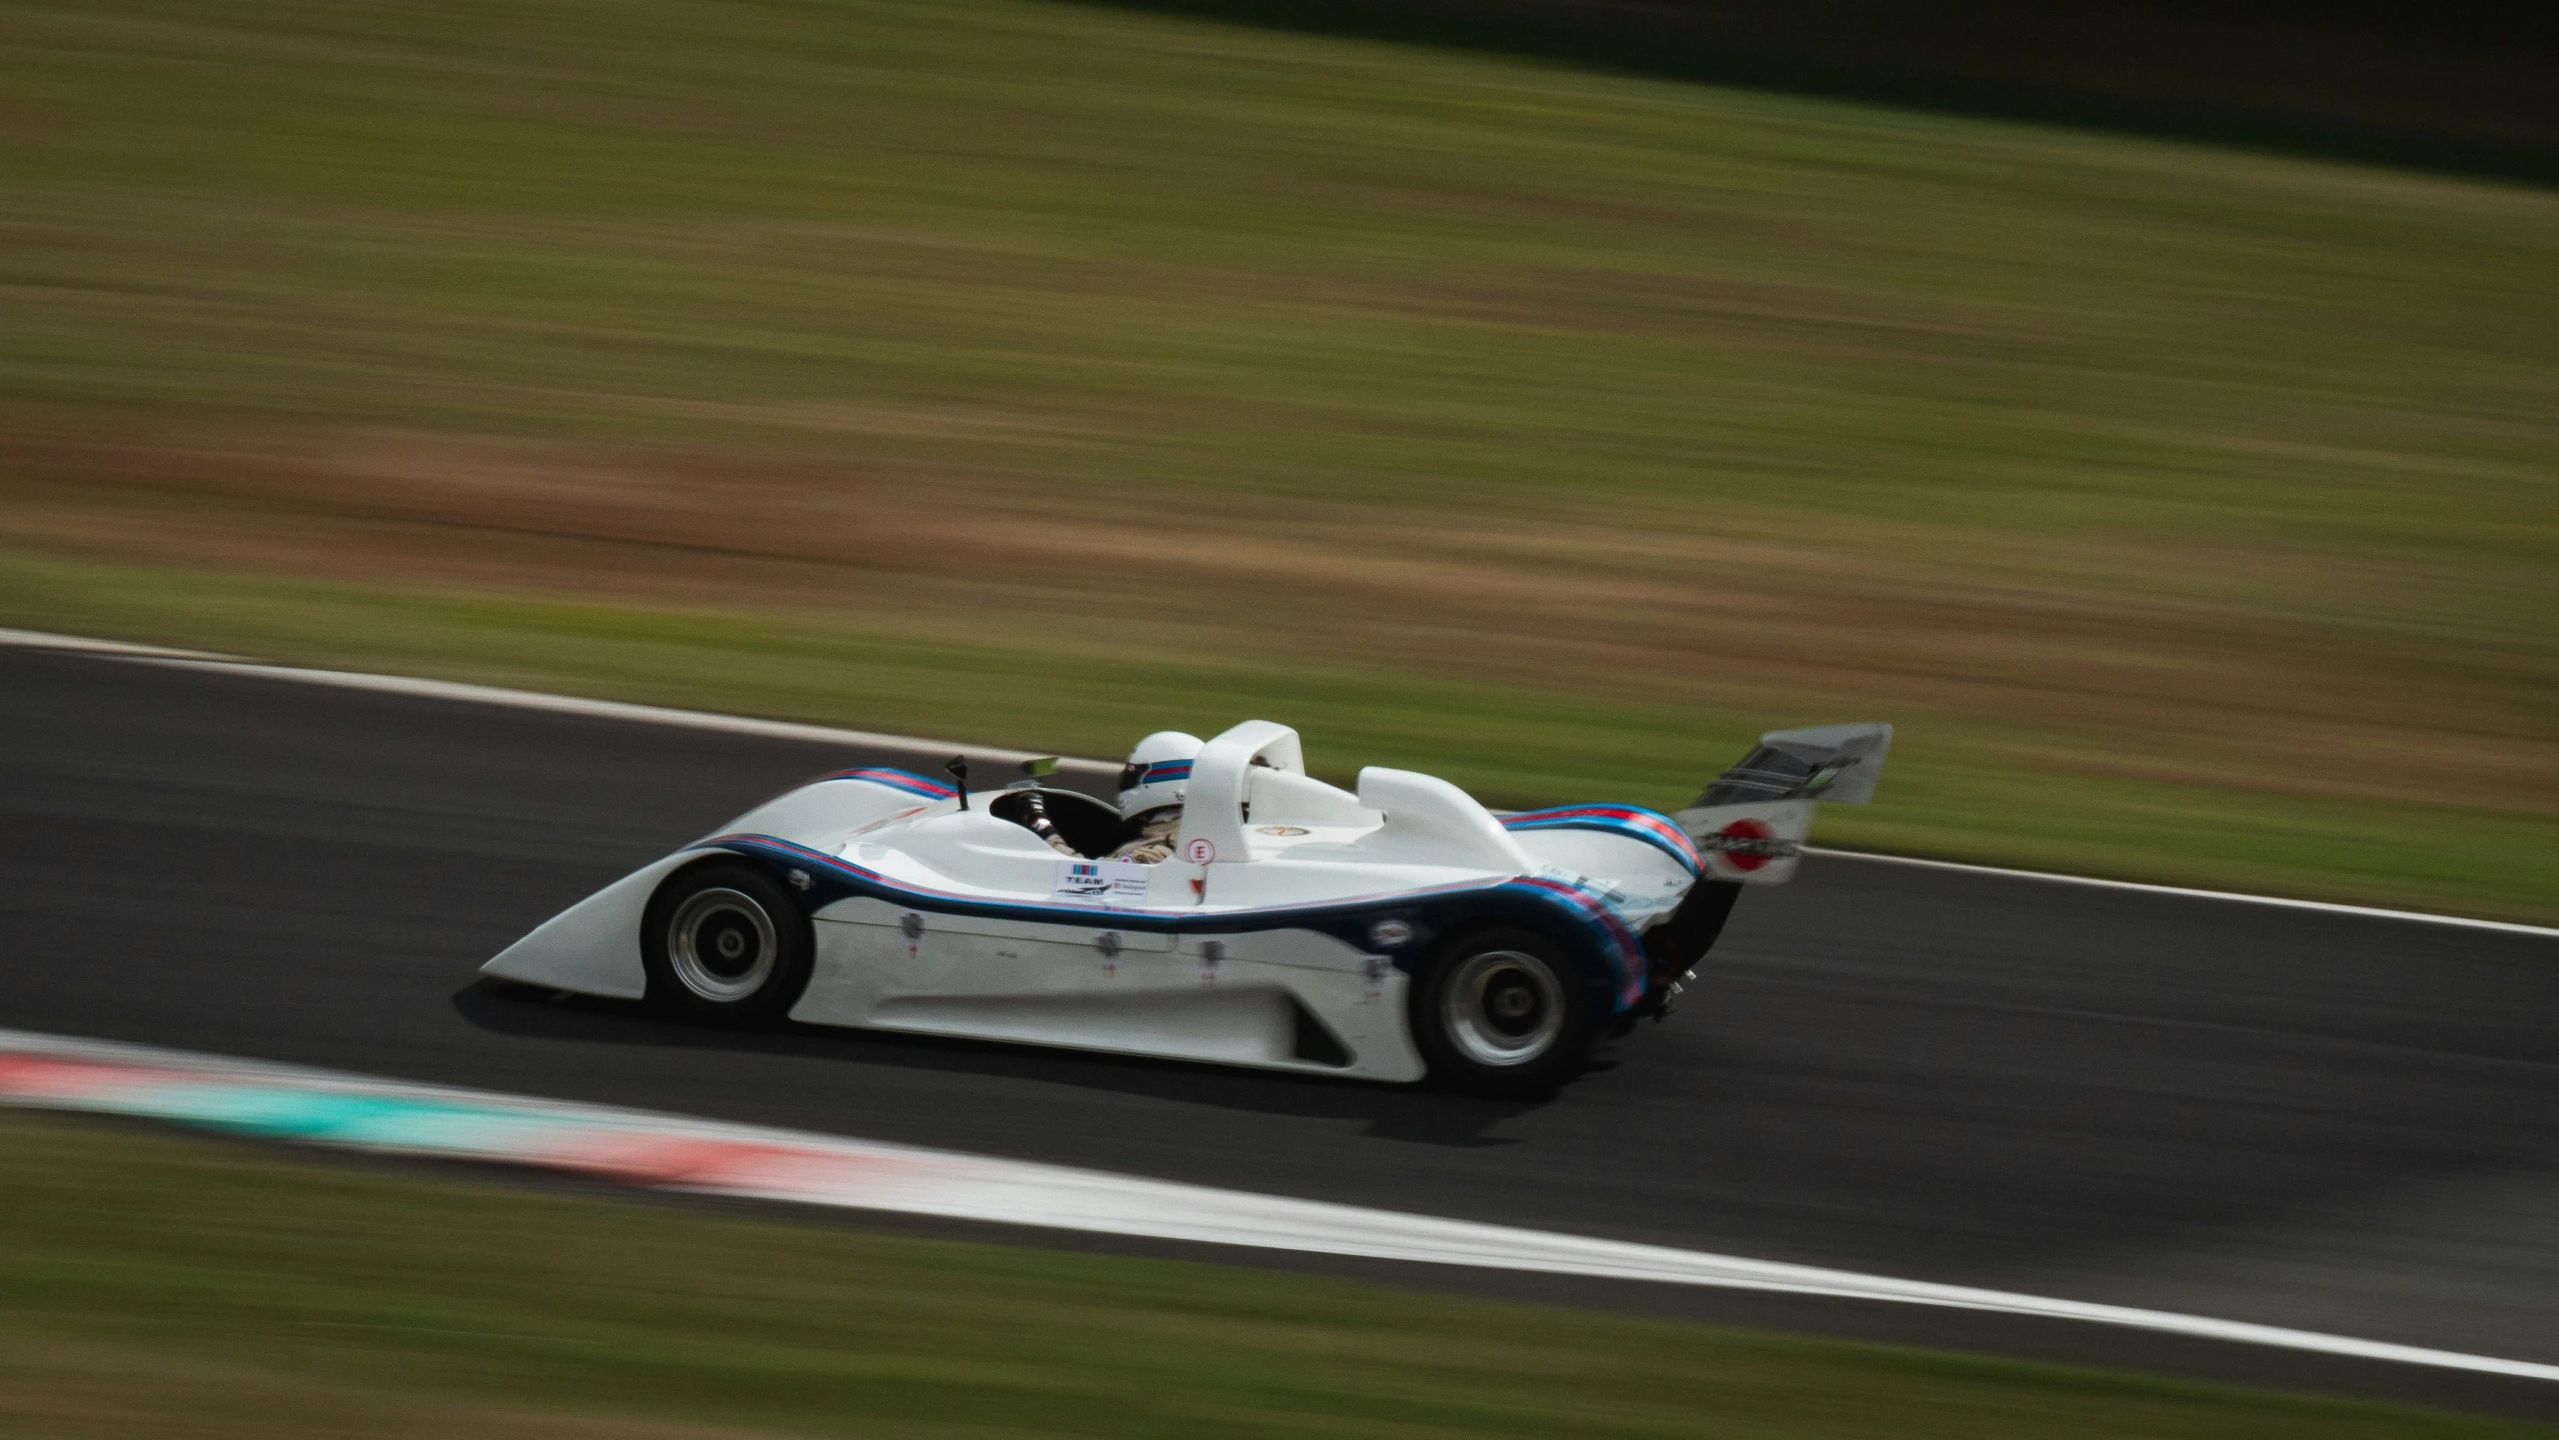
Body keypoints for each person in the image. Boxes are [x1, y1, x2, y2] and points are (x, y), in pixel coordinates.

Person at [1109, 730, 1203, 863]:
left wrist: (1067, 854)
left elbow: (1087, 876)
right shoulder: (1208, 838)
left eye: (1133, 773)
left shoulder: (1158, 853)